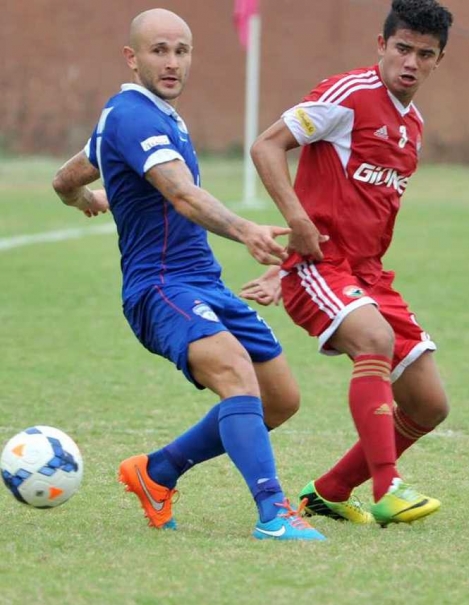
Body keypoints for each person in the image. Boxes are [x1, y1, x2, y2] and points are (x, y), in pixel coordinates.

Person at [51, 8, 324, 541]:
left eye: (182, 51)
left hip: (203, 282)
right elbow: (180, 192)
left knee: (280, 399)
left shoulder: (152, 116)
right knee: (236, 374)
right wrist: (246, 229)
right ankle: (274, 513)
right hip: (159, 288)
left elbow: (67, 176)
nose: (172, 62)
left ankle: (157, 472)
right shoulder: (131, 114)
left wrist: (91, 196)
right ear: (132, 58)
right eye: (159, 51)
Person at [241, 0, 453, 527]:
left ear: (437, 61)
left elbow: (357, 209)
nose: (410, 62)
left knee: (429, 405)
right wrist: (296, 229)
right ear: (381, 46)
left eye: (424, 55)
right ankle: (389, 488)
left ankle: (330, 491)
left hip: (369, 275)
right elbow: (267, 146)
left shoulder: (414, 126)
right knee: (374, 340)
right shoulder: (349, 96)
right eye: (402, 48)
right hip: (321, 266)